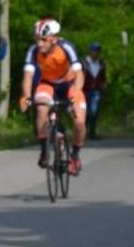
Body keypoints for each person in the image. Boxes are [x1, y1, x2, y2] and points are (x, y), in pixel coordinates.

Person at [19, 18, 86, 176]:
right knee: (41, 108)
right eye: (37, 40)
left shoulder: (66, 47)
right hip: (47, 84)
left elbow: (79, 74)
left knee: (79, 122)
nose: (39, 44)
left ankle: (75, 157)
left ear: (54, 39)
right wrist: (26, 97)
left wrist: (76, 94)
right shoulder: (33, 51)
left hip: (70, 84)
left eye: (43, 40)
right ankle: (44, 151)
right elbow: (28, 76)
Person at [82, 42, 107, 139]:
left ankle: (92, 132)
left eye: (97, 51)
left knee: (94, 110)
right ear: (90, 51)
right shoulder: (84, 62)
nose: (96, 53)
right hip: (84, 90)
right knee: (85, 111)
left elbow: (103, 77)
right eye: (94, 50)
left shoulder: (101, 63)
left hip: (96, 90)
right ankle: (83, 131)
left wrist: (104, 84)